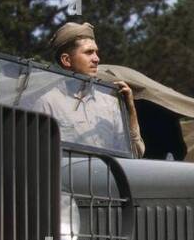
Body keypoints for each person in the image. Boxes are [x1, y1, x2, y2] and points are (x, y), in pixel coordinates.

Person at [28, 22, 145, 156]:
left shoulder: (109, 103)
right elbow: (36, 157)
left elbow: (136, 153)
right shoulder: (47, 103)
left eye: (96, 52)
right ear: (66, 60)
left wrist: (131, 111)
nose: (96, 59)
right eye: (89, 52)